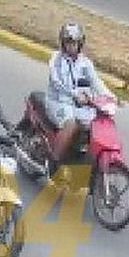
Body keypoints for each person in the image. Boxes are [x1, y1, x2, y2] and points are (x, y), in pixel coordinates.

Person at [45, 21, 111, 173]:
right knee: (71, 124)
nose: (71, 46)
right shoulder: (56, 59)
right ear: (63, 43)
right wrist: (75, 94)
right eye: (68, 42)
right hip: (58, 102)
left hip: (78, 105)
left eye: (74, 42)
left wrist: (110, 97)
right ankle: (53, 162)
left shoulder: (85, 63)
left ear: (80, 43)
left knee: (93, 124)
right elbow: (56, 82)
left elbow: (96, 82)